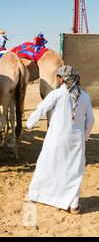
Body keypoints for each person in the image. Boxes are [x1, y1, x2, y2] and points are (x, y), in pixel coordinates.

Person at [22, 66, 95, 214]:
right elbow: (91, 121)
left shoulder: (56, 94)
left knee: (46, 165)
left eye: (58, 77)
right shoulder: (85, 97)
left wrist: (29, 124)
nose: (56, 79)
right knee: (74, 170)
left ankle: (35, 195)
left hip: (56, 139)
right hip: (77, 142)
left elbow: (41, 109)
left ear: (62, 79)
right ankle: (73, 205)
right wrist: (84, 136)